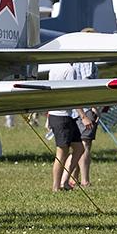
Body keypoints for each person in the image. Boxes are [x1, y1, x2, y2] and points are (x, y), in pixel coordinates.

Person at [47, 62, 90, 192]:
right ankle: (56, 187)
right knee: (61, 153)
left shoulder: (53, 67)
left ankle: (64, 181)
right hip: (62, 116)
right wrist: (83, 116)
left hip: (63, 115)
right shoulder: (70, 70)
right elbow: (73, 95)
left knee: (79, 148)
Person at [71, 34, 100, 187]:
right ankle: (85, 180)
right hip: (85, 107)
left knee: (76, 144)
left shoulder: (74, 59)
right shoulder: (87, 60)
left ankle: (73, 178)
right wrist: (94, 108)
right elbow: (89, 85)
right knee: (85, 145)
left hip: (75, 108)